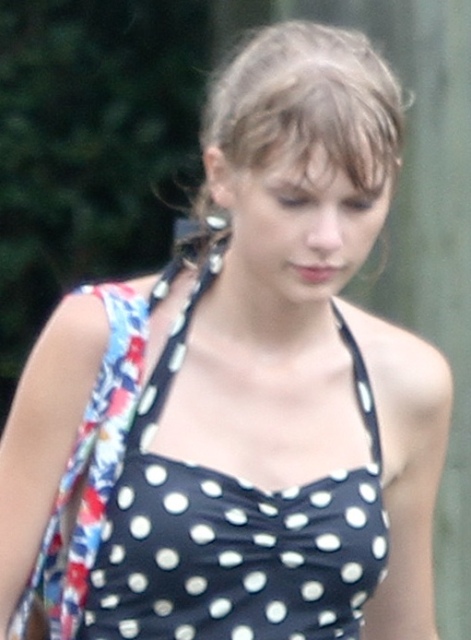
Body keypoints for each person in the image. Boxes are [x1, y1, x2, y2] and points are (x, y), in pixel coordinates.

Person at [0, 19, 452, 640]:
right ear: (222, 175)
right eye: (294, 199)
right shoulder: (106, 340)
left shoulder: (407, 382)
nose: (328, 238)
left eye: (359, 203)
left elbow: (405, 632)